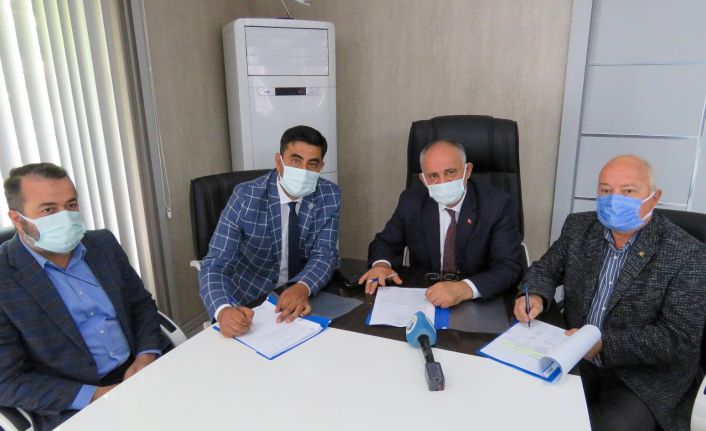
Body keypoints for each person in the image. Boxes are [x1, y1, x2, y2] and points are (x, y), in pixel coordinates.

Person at [514, 155, 706, 431]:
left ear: (654, 197)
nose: (614, 200)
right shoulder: (579, 227)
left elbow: (678, 338)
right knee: (528, 407)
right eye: (606, 190)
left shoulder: (688, 253)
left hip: (642, 375)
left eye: (628, 191)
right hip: (573, 351)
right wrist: (534, 295)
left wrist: (603, 343)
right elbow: (545, 269)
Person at [0, 163, 165, 431]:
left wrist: (146, 355)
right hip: (75, 401)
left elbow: (141, 305)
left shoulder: (102, 244)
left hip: (141, 370)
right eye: (49, 210)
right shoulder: (4, 278)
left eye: (71, 205)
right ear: (17, 219)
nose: (65, 217)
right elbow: (6, 380)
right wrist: (95, 395)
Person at [199, 125, 341, 337]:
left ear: (321, 167)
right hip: (251, 301)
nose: (303, 171)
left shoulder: (329, 195)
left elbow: (325, 253)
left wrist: (302, 286)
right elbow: (216, 264)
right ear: (278, 161)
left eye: (312, 164)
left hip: (303, 297)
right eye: (296, 161)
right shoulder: (245, 196)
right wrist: (223, 310)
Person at [360, 139, 525, 307]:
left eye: (451, 172)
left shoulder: (497, 205)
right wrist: (382, 264)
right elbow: (385, 242)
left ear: (467, 171)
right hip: (426, 297)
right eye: (433, 176)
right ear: (423, 179)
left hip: (478, 302)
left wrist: (464, 288)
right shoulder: (411, 201)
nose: (443, 182)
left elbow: (509, 267)